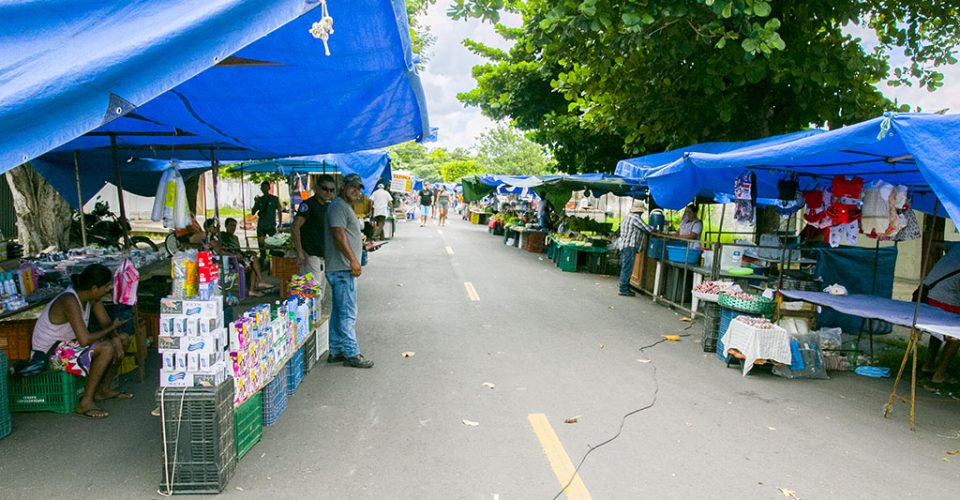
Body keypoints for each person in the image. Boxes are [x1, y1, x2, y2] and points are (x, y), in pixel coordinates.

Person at [31, 264, 130, 419]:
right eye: (106, 287)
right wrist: (112, 331)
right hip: (49, 353)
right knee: (106, 348)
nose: (108, 290)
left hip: (67, 344)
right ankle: (85, 402)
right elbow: (84, 340)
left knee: (123, 339)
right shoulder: (69, 300)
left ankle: (103, 389)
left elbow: (105, 323)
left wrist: (115, 336)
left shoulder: (92, 298)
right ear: (94, 287)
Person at [325, 173, 376, 368]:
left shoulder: (344, 207)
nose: (356, 190)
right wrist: (353, 260)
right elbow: (338, 234)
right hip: (342, 268)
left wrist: (363, 248)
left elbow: (347, 235)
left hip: (342, 267)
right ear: (343, 186)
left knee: (339, 311)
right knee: (347, 312)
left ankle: (336, 349)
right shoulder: (338, 206)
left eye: (359, 188)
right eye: (352, 186)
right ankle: (351, 353)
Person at [921, 244, 960, 384]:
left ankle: (928, 364)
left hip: (930, 291)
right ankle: (940, 374)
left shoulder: (956, 245)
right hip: (947, 297)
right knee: (956, 335)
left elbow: (935, 245)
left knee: (938, 330)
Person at [292, 174, 337, 279]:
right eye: (325, 189)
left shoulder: (328, 206)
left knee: (321, 289)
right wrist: (300, 252)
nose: (328, 192)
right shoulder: (308, 205)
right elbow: (295, 227)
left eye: (331, 190)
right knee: (312, 290)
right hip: (310, 254)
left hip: (324, 254)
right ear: (317, 188)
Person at [219, 217, 273, 296]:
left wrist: (247, 252)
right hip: (232, 259)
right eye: (231, 225)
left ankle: (253, 288)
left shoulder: (235, 238)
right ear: (226, 226)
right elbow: (224, 250)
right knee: (253, 260)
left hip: (240, 257)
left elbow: (239, 250)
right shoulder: (222, 235)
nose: (232, 228)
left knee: (254, 258)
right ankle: (260, 281)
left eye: (234, 225)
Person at [618, 201, 653, 297]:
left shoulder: (628, 216)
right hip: (630, 246)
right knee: (627, 268)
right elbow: (647, 229)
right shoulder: (635, 218)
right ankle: (623, 289)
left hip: (625, 245)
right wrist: (657, 229)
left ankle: (624, 286)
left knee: (625, 267)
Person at [251, 181, 280, 262]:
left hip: (271, 225)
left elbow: (280, 210)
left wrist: (280, 223)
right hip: (261, 226)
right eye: (262, 187)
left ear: (269, 188)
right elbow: (253, 212)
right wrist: (256, 202)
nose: (264, 189)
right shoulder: (259, 200)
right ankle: (263, 259)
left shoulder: (274, 199)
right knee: (261, 245)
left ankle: (273, 259)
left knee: (274, 244)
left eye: (265, 187)